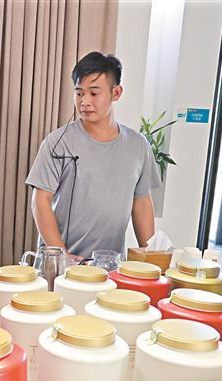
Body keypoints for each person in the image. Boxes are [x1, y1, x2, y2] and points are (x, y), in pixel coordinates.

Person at [26, 51, 161, 260]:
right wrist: (62, 256)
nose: (85, 101)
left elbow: (141, 201)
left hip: (110, 265)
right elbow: (40, 201)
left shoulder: (138, 145)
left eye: (94, 93)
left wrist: (152, 258)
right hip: (63, 263)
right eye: (79, 93)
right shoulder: (57, 142)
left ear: (116, 93)